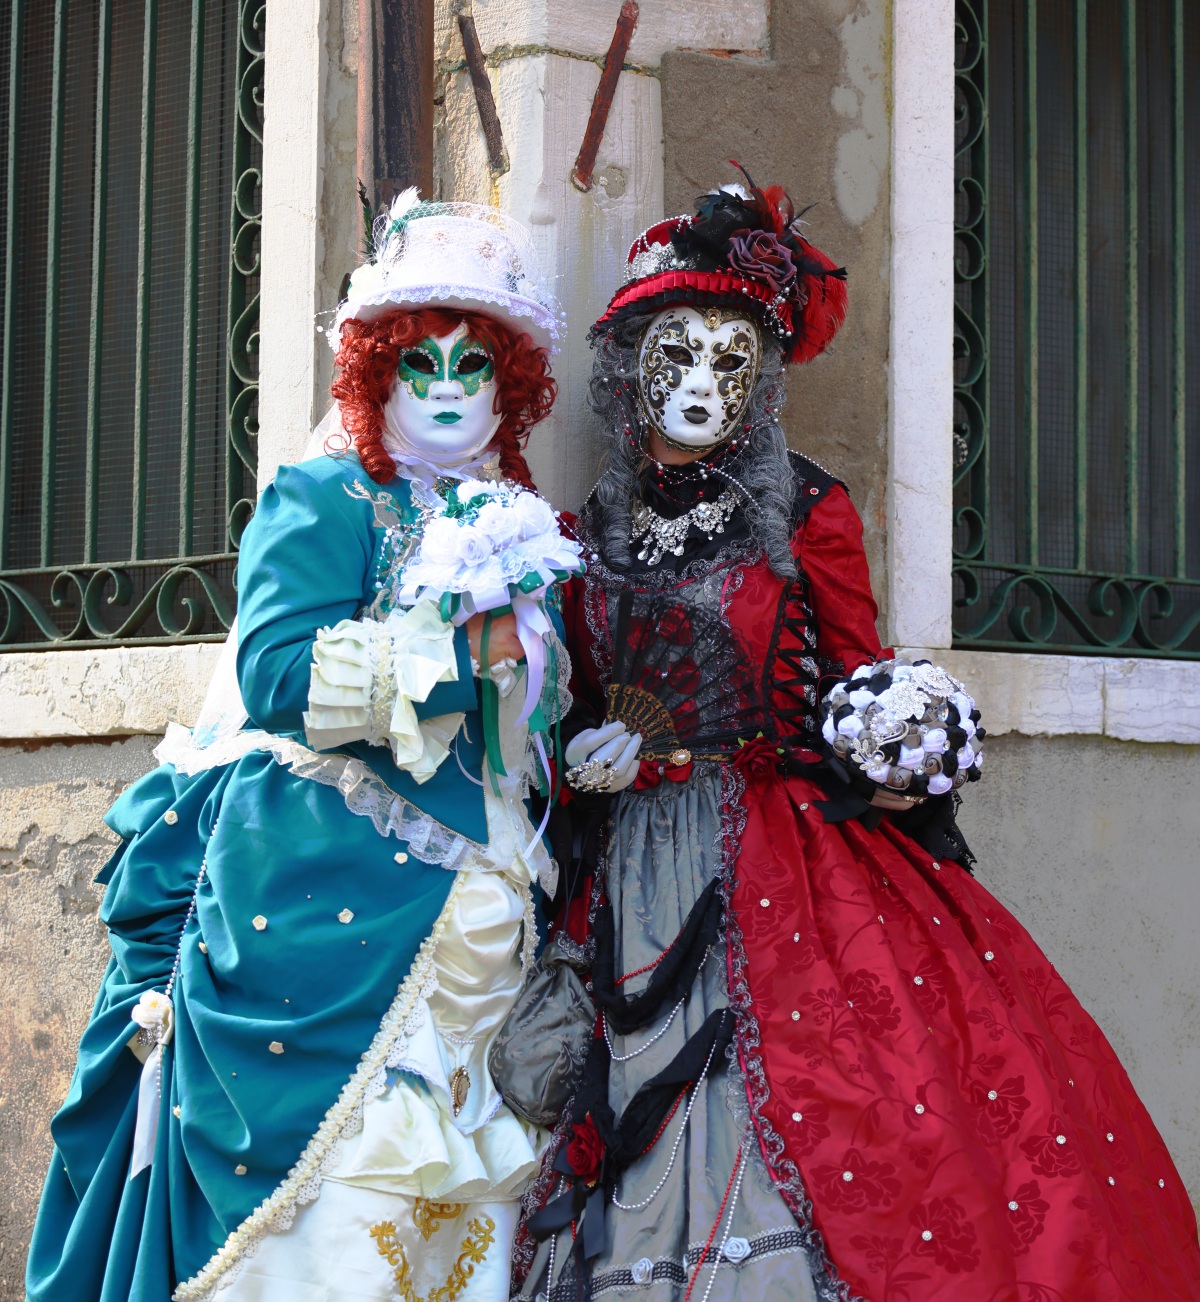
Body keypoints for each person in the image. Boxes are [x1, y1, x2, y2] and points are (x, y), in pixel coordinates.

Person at [514, 173, 1200, 1301]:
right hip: (625, 863)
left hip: (782, 854)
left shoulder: (809, 508)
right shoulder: (586, 532)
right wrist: (589, 750)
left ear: (763, 380)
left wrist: (897, 740)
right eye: (674, 352)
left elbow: (854, 665)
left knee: (832, 1106)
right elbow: (571, 694)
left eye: (730, 358)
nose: (697, 381)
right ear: (630, 364)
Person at [26, 193, 577, 1302]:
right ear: (376, 370)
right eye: (420, 362)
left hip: (474, 906)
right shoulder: (322, 495)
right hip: (323, 886)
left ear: (509, 387)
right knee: (330, 1181)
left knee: (445, 1193)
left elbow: (535, 715)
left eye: (474, 368)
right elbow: (277, 675)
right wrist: (449, 654)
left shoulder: (514, 517)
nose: (446, 390)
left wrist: (526, 662)